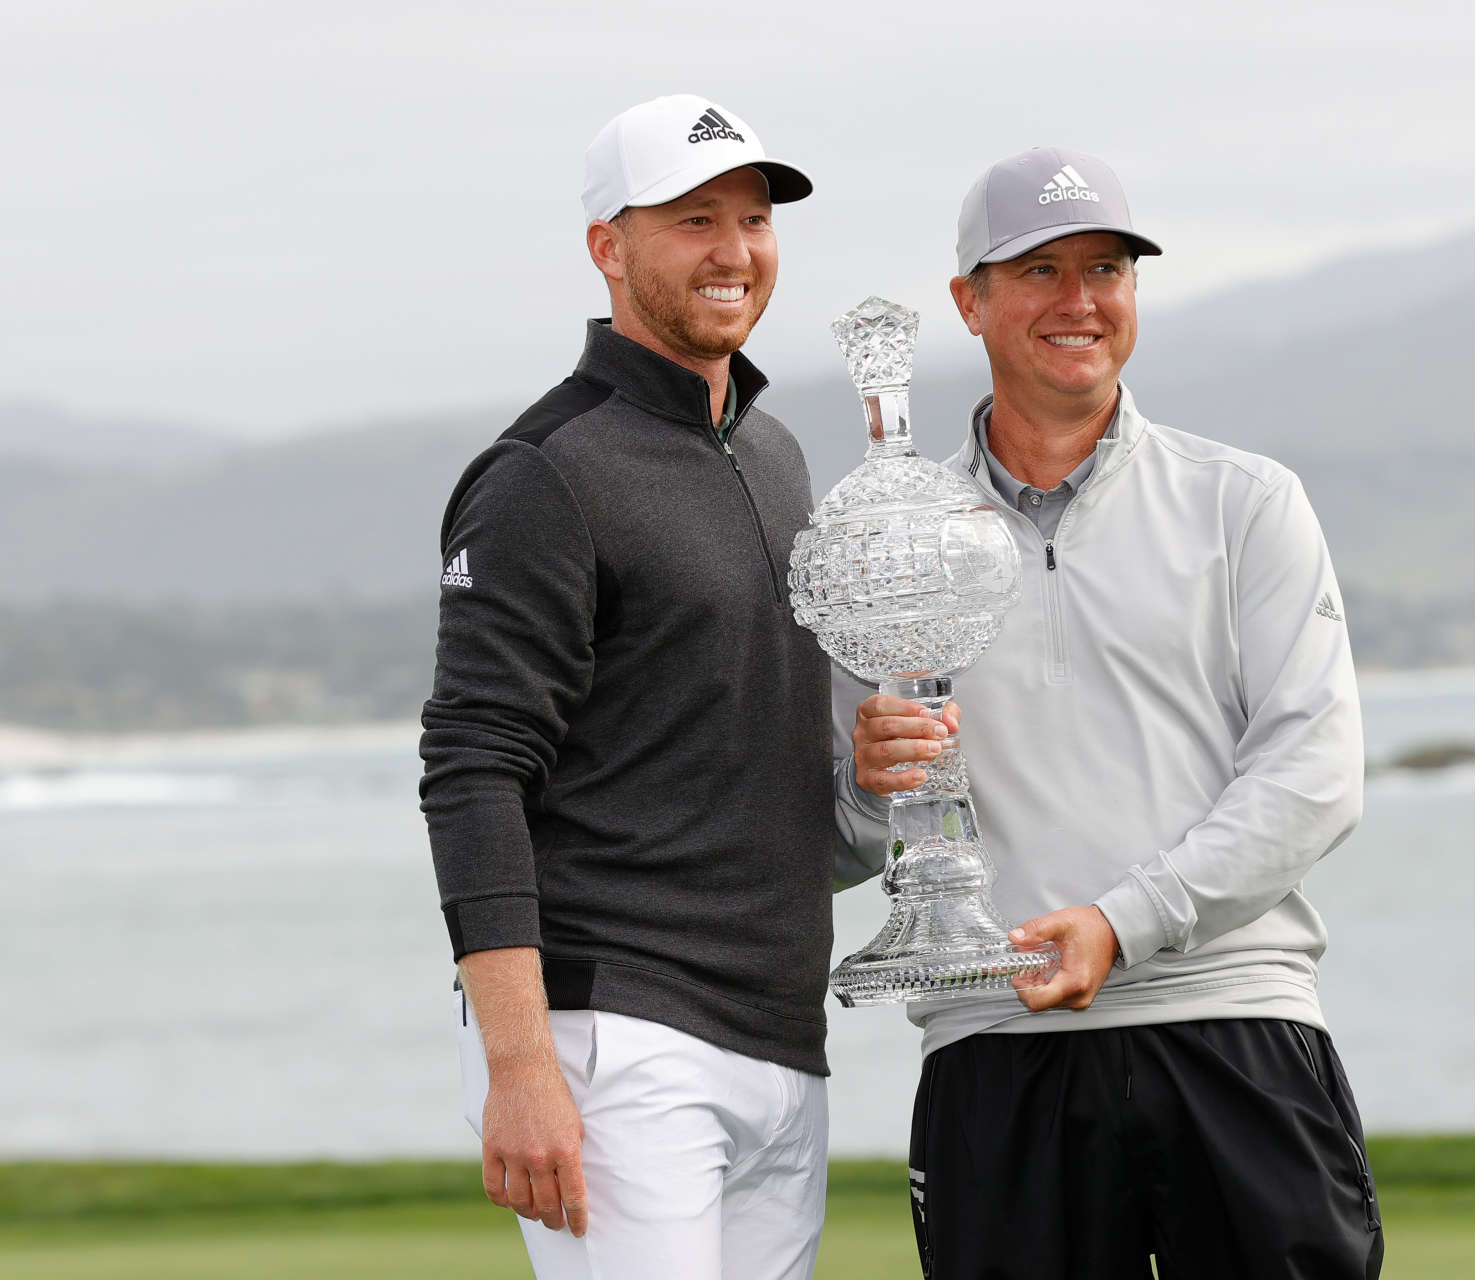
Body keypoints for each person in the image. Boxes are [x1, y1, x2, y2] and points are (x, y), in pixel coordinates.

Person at [840, 147, 1382, 1278]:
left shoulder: (1243, 502)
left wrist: (1127, 918)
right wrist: (864, 779)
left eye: (1107, 268)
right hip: (997, 1045)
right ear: (969, 303)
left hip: (1235, 1024)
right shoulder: (888, 547)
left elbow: (1315, 771)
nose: (1079, 300)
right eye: (1038, 270)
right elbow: (848, 836)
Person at [418, 95, 910, 1280]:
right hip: (622, 1037)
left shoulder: (778, 451)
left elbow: (731, 735)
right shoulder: (543, 472)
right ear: (608, 245)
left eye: (753, 219)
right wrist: (521, 1067)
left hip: (783, 1033)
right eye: (694, 219)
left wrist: (863, 772)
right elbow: (473, 766)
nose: (735, 250)